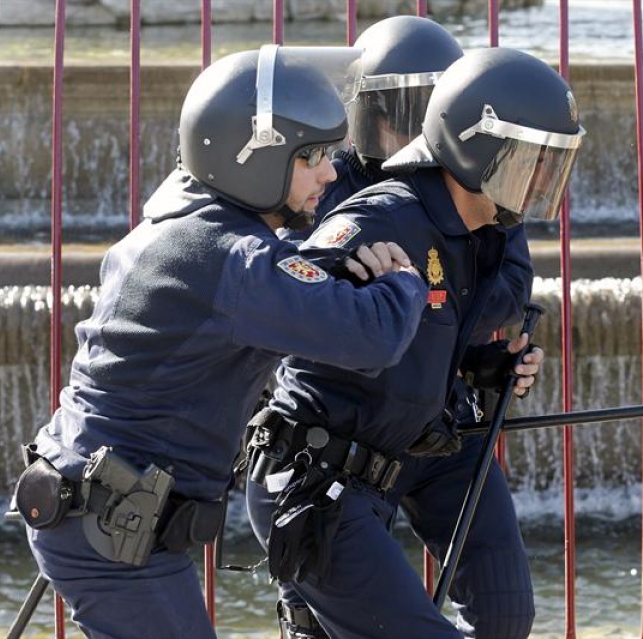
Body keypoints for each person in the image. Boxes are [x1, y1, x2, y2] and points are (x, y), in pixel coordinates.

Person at [11, 45, 430, 639]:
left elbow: (278, 286)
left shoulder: (183, 223)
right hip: (113, 523)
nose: (331, 174)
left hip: (102, 509)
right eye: (311, 156)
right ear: (251, 155)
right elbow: (373, 336)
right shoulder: (232, 258)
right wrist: (403, 281)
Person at [245, 46, 585, 639]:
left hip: (432, 440)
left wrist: (483, 365)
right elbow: (270, 309)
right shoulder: (379, 221)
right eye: (530, 161)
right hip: (328, 465)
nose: (538, 182)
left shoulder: (488, 226)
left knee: (506, 620)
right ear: (476, 151)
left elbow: (436, 326)